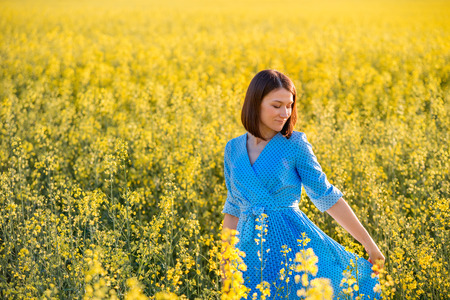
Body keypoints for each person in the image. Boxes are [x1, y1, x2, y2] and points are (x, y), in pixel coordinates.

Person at [220, 69, 385, 299]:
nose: (285, 113)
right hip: (249, 250)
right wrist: (226, 264)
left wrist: (369, 244)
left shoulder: (295, 144)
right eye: (276, 105)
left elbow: (326, 195)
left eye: (289, 105)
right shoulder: (233, 149)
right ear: (255, 103)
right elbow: (233, 208)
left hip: (293, 248)